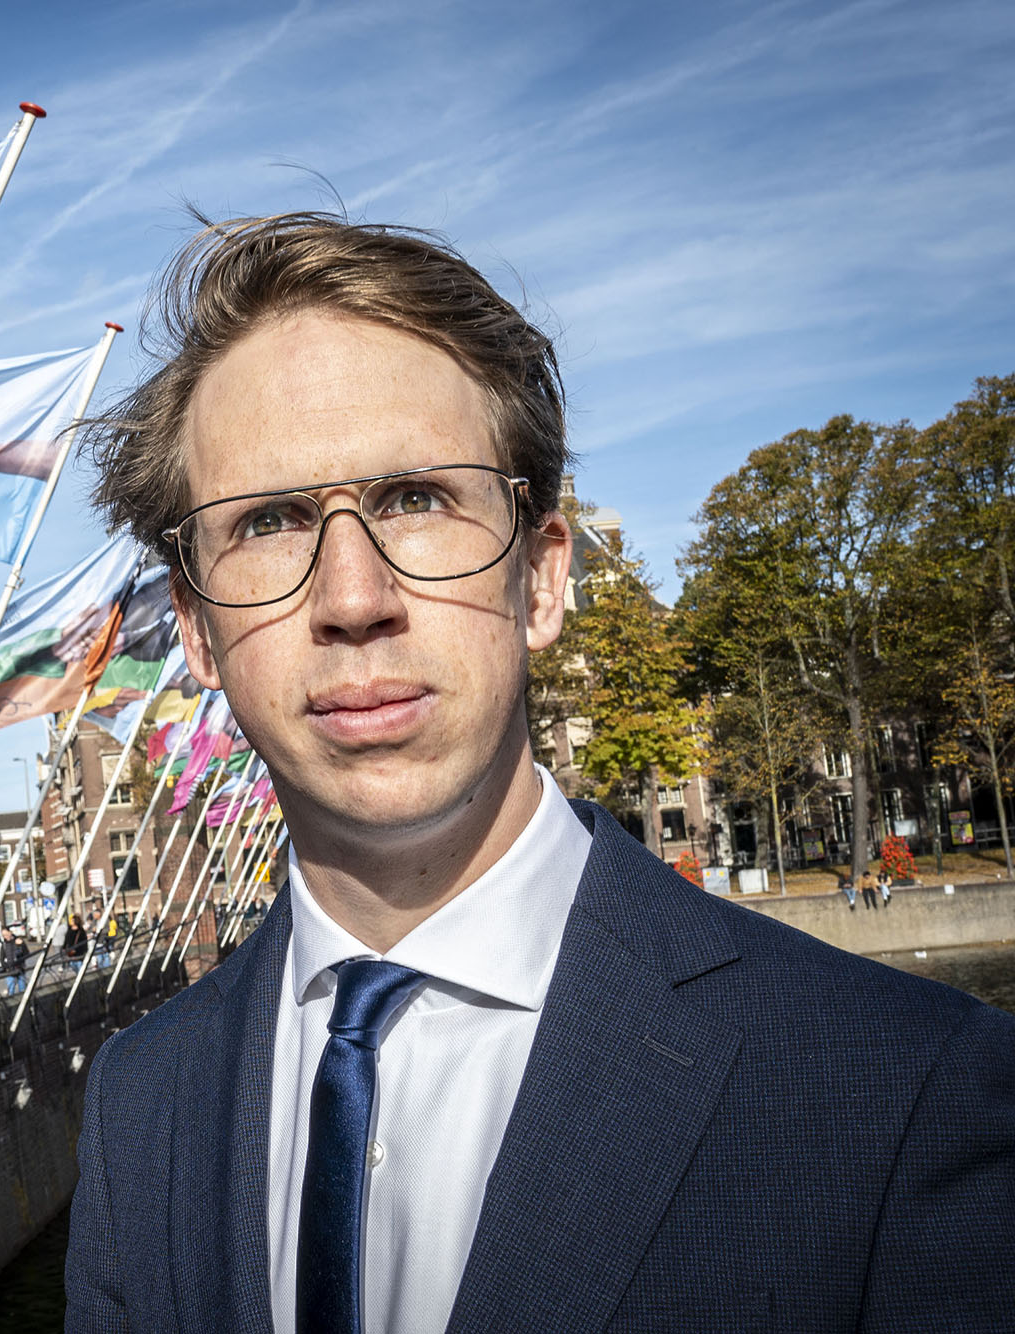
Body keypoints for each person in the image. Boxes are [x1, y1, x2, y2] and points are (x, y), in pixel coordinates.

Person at [64, 212, 1015, 1330]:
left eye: (415, 499)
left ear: (541, 579)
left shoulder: (903, 1090)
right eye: (269, 521)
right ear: (196, 628)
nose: (353, 598)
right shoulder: (139, 1104)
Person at [0, 926, 29, 995]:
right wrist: (6, 966)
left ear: (10, 932)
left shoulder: (18, 941)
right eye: (3, 935)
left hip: (20, 969)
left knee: (22, 990)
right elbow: (1, 958)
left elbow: (27, 953)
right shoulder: (4, 945)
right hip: (10, 971)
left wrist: (22, 945)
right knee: (11, 990)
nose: (5, 936)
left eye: (6, 934)